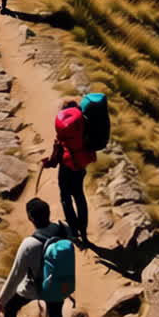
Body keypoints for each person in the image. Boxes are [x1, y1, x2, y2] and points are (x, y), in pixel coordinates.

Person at [0, 197, 72, 317]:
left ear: (30, 217)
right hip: (59, 285)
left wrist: (0, 300)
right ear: (49, 213)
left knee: (10, 307)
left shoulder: (29, 244)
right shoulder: (63, 229)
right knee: (56, 315)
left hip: (34, 288)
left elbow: (15, 275)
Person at [52, 99, 96, 246]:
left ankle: (73, 229)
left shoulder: (66, 127)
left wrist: (50, 161)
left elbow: (58, 149)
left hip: (67, 165)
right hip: (81, 164)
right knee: (79, 195)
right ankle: (83, 231)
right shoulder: (85, 124)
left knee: (65, 196)